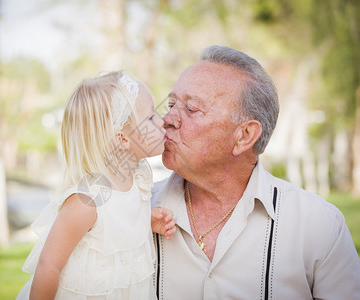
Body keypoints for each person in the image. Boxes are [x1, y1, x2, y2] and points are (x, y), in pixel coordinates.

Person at [151, 45, 360, 299]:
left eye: (192, 109)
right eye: (171, 104)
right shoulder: (135, 210)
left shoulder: (319, 226)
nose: (167, 119)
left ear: (245, 136)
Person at [17, 71, 176, 300]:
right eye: (151, 118)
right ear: (122, 139)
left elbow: (114, 226)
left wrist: (144, 221)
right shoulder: (86, 202)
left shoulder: (138, 180)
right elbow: (48, 267)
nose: (163, 121)